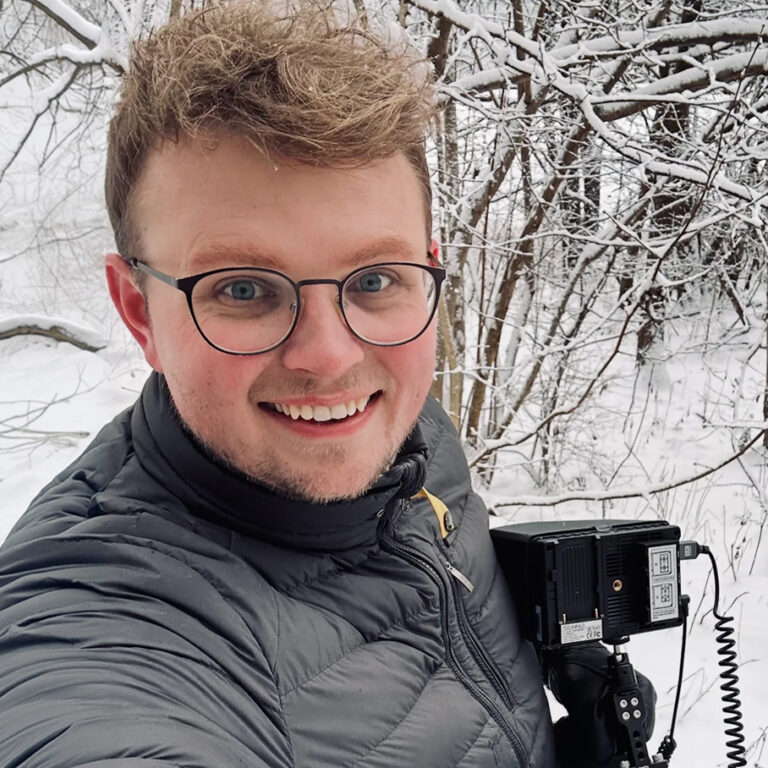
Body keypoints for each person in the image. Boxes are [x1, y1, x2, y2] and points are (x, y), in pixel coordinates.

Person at [0, 3, 654, 766]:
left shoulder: (415, 447)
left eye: (376, 279)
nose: (331, 357)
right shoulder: (104, 623)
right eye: (244, 290)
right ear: (139, 310)